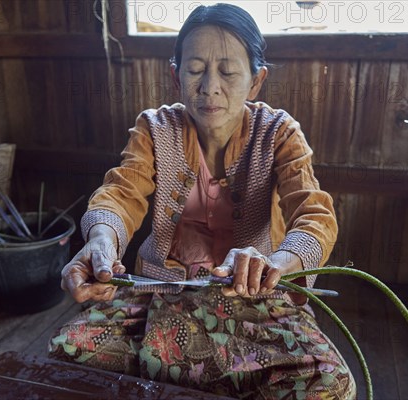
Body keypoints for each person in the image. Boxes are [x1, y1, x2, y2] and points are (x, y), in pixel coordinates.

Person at [49, 3, 356, 399]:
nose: (210, 85)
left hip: (255, 300)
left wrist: (275, 265)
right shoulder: (155, 129)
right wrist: (102, 241)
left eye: (228, 71)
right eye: (195, 69)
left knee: (328, 383)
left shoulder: (278, 133)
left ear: (256, 81)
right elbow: (120, 194)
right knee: (66, 356)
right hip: (154, 292)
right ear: (176, 77)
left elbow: (314, 214)